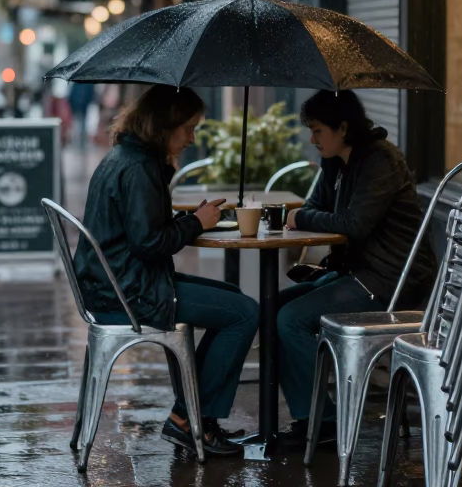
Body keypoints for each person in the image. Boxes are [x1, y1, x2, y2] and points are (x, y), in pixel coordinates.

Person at [77, 84, 257, 457]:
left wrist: (189, 220)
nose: (192, 138)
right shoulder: (140, 168)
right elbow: (149, 243)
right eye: (187, 128)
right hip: (130, 292)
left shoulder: (127, 156)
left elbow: (142, 232)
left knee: (235, 300)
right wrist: (196, 224)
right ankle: (190, 418)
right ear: (163, 125)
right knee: (244, 313)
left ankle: (193, 415)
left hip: (119, 283)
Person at [275, 90, 433, 447]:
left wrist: (300, 217)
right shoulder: (336, 161)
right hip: (358, 273)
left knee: (290, 319)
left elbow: (353, 223)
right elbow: (318, 206)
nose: (312, 139)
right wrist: (308, 214)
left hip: (391, 281)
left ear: (342, 127)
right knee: (274, 307)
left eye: (317, 131)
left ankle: (322, 422)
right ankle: (309, 416)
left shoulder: (380, 160)